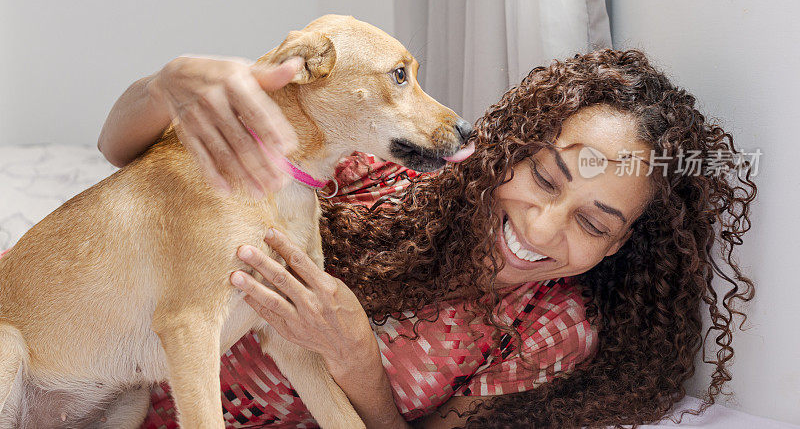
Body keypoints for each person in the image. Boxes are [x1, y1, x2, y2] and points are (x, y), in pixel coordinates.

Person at [96, 49, 756, 428]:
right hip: (75, 349)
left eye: (593, 222)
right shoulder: (379, 169)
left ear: (616, 246)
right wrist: (167, 83)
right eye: (545, 177)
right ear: (511, 151)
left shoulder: (552, 330)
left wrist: (355, 358)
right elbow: (119, 147)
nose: (540, 225)